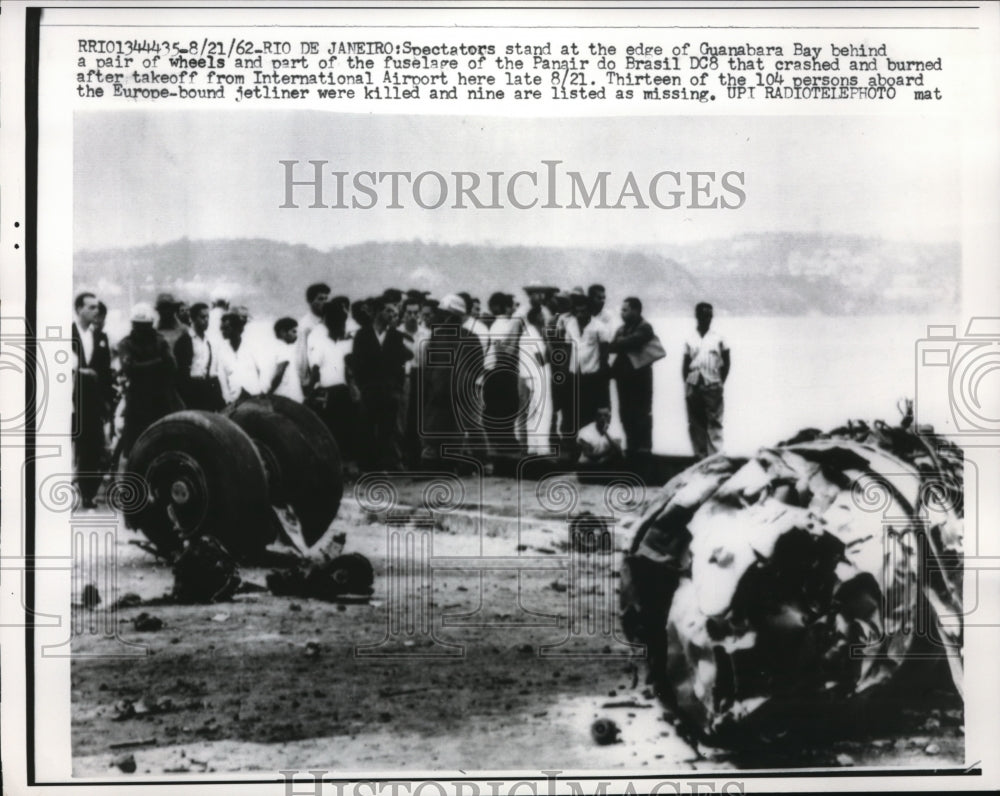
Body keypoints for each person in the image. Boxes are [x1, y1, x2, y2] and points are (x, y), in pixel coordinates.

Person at [420, 293, 486, 468]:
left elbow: (477, 366)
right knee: (441, 431)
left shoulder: (467, 339)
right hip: (445, 394)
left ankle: (451, 463)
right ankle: (443, 462)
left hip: (449, 394)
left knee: (450, 431)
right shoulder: (441, 338)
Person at [351, 296, 412, 470]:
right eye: (388, 311)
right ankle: (368, 467)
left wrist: (397, 388)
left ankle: (387, 465)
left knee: (388, 429)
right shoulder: (363, 335)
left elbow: (401, 363)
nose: (392, 315)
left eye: (394, 312)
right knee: (367, 428)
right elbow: (357, 363)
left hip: (390, 390)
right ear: (378, 312)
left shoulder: (396, 336)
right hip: (370, 389)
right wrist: (362, 386)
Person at [117, 302, 183, 458]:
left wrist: (142, 367)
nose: (141, 330)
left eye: (144, 325)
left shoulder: (159, 341)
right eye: (139, 325)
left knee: (161, 442)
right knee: (133, 444)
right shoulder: (126, 343)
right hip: (139, 399)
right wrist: (157, 363)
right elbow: (130, 368)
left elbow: (172, 366)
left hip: (158, 398)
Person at [72, 292, 113, 507]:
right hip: (71, 396)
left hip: (93, 399)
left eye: (97, 307)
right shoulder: (68, 333)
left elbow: (105, 372)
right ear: (79, 309)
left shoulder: (100, 337)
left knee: (93, 446)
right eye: (90, 307)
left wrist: (107, 402)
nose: (95, 311)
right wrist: (81, 372)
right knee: (70, 442)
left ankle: (88, 493)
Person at [307, 303, 356, 461]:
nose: (342, 326)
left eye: (343, 322)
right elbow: (315, 371)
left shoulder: (343, 344)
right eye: (339, 322)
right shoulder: (321, 343)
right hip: (329, 393)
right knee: (331, 430)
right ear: (330, 323)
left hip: (343, 392)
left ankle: (344, 463)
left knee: (345, 430)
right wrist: (311, 392)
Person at [610, 297, 657, 461]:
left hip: (641, 380)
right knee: (625, 414)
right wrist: (622, 342)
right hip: (624, 378)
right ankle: (632, 448)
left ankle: (644, 450)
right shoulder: (622, 329)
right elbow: (614, 346)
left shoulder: (645, 327)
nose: (621, 313)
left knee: (642, 414)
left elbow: (634, 341)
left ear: (636, 310)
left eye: (625, 310)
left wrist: (621, 342)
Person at [682, 302, 730, 459]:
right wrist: (688, 383)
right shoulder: (690, 338)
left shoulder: (719, 338)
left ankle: (715, 457)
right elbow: (685, 363)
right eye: (703, 315)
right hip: (694, 382)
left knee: (714, 422)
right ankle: (700, 456)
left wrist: (720, 382)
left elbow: (727, 362)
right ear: (697, 316)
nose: (706, 318)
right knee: (695, 423)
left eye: (709, 315)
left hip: (713, 383)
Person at [564, 293, 611, 441]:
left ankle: (593, 445)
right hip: (575, 374)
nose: (580, 314)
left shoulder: (600, 327)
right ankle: (575, 444)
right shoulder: (570, 324)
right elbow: (567, 348)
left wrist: (602, 378)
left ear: (590, 310)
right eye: (577, 311)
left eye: (583, 311)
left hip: (593, 375)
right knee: (575, 411)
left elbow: (604, 354)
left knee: (592, 413)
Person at [482, 292, 522, 456]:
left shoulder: (504, 323)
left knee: (502, 408)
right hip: (500, 370)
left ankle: (501, 443)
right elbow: (500, 350)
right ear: (505, 307)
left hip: (501, 370)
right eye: (512, 306)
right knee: (502, 408)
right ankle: (500, 445)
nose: (515, 309)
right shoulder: (502, 324)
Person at [174, 302, 224, 411]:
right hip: (191, 392)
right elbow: (180, 373)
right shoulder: (185, 341)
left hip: (205, 389)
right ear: (192, 318)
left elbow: (211, 372)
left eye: (207, 317)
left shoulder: (208, 342)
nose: (206, 320)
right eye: (202, 317)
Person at [218, 310, 266, 403]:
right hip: (235, 401)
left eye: (226, 328)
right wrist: (228, 400)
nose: (223, 332)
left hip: (255, 398)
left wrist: (262, 392)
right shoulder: (222, 352)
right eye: (222, 329)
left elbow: (263, 371)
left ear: (237, 329)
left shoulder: (252, 346)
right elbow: (222, 379)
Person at [295, 282, 331, 389]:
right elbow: (302, 356)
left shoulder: (329, 322)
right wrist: (305, 382)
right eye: (320, 299)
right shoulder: (306, 325)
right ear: (310, 301)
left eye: (326, 298)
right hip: (313, 381)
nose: (324, 302)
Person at [266, 317, 304, 403]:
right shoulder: (283, 348)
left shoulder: (277, 347)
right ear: (283, 332)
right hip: (287, 398)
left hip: (286, 397)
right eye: (293, 331)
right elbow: (279, 373)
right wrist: (269, 393)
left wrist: (268, 393)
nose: (296, 335)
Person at [576, 407, 624, 475]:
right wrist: (609, 451)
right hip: (588, 466)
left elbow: (618, 452)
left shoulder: (616, 429)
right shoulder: (585, 431)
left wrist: (605, 432)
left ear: (609, 417)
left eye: (605, 415)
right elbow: (590, 456)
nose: (602, 418)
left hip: (606, 466)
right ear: (595, 417)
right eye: (599, 415)